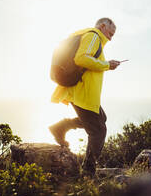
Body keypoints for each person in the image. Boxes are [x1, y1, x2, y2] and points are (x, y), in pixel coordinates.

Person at [49, 17, 121, 176]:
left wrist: (106, 64)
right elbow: (81, 58)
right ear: (102, 26)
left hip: (81, 91)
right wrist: (107, 65)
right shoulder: (94, 36)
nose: (111, 37)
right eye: (110, 33)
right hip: (82, 92)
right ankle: (88, 171)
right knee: (98, 130)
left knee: (101, 119)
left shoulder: (88, 36)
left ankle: (62, 126)